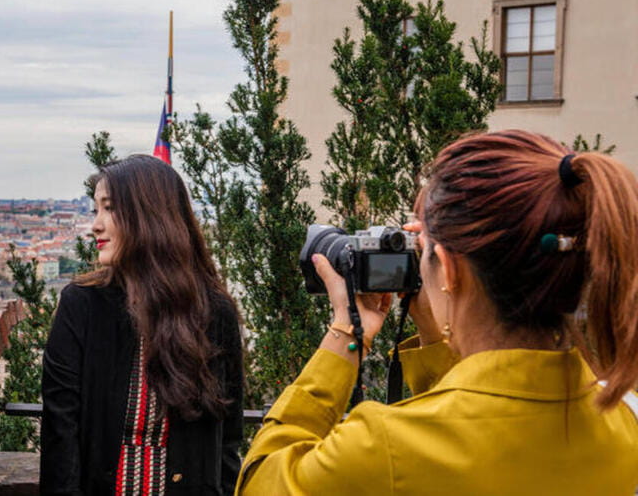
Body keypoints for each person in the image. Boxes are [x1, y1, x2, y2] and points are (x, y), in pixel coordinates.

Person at [236, 130, 638, 495]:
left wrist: (346, 332)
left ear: (447, 268)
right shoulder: (625, 416)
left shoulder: (384, 446)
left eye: (425, 252)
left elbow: (262, 480)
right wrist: (434, 332)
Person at [41, 155, 243, 496]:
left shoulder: (213, 311)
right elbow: (61, 430)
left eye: (110, 208)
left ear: (149, 215)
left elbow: (228, 436)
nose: (96, 225)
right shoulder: (81, 304)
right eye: (95, 210)